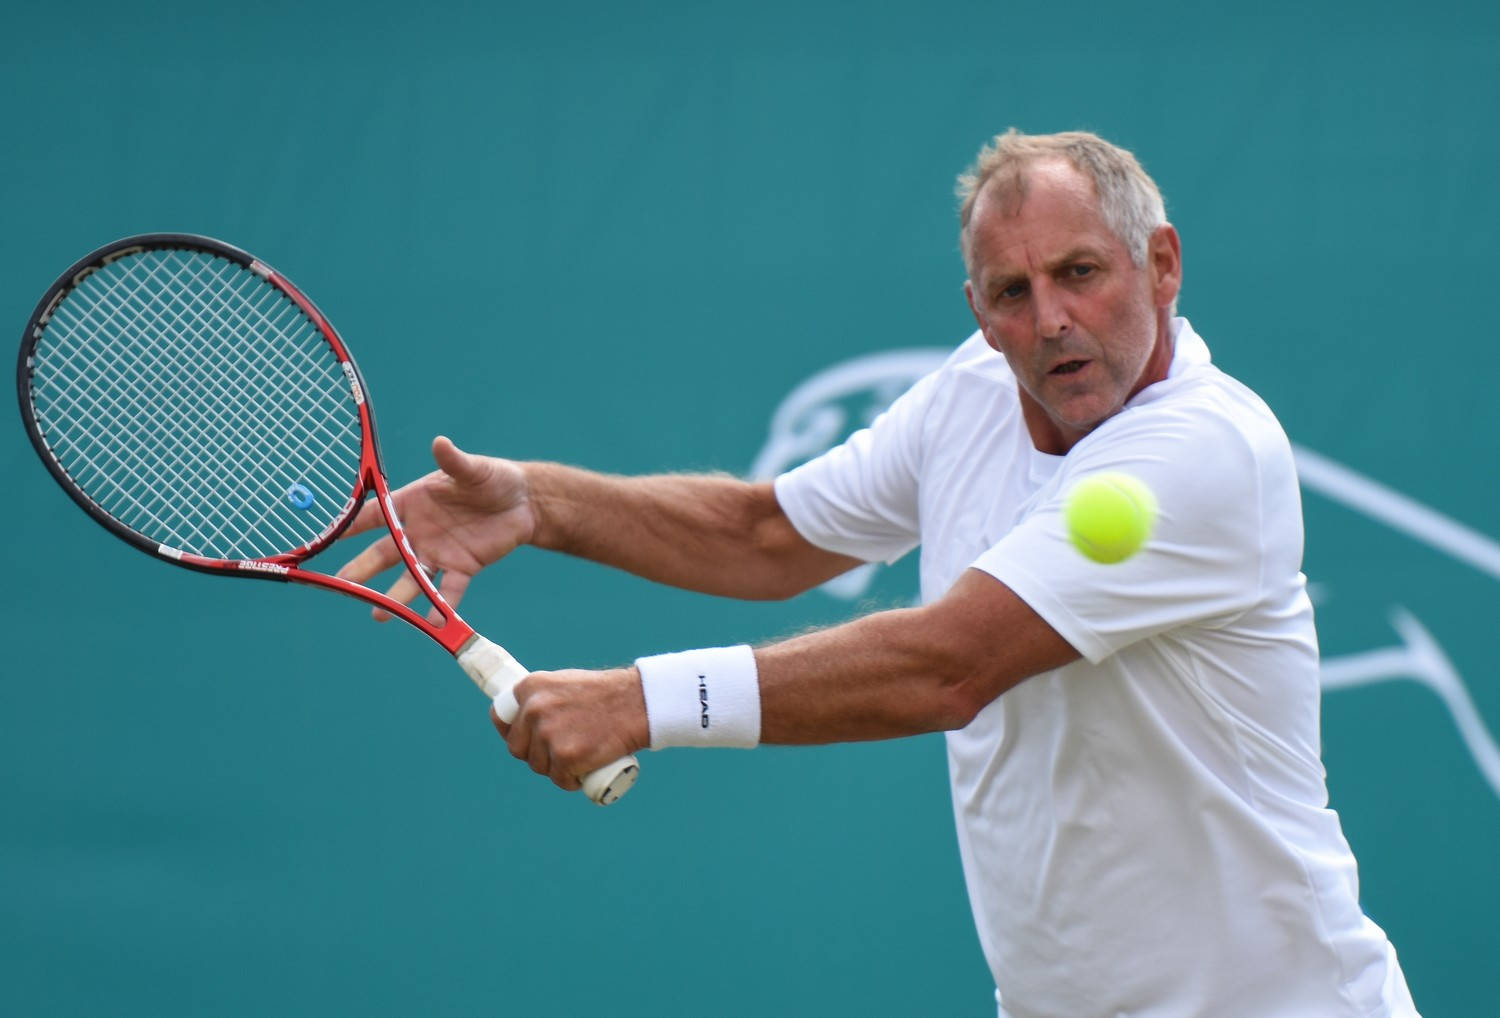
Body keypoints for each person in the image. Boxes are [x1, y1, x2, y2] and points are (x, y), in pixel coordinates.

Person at [337, 129, 1420, 1017]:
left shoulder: (1206, 453)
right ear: (978, 311)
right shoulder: (975, 392)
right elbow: (771, 536)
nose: (1049, 320)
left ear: (1164, 265)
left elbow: (948, 665)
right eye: (1011, 291)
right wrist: (541, 502)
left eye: (1081, 273)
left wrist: (636, 701)